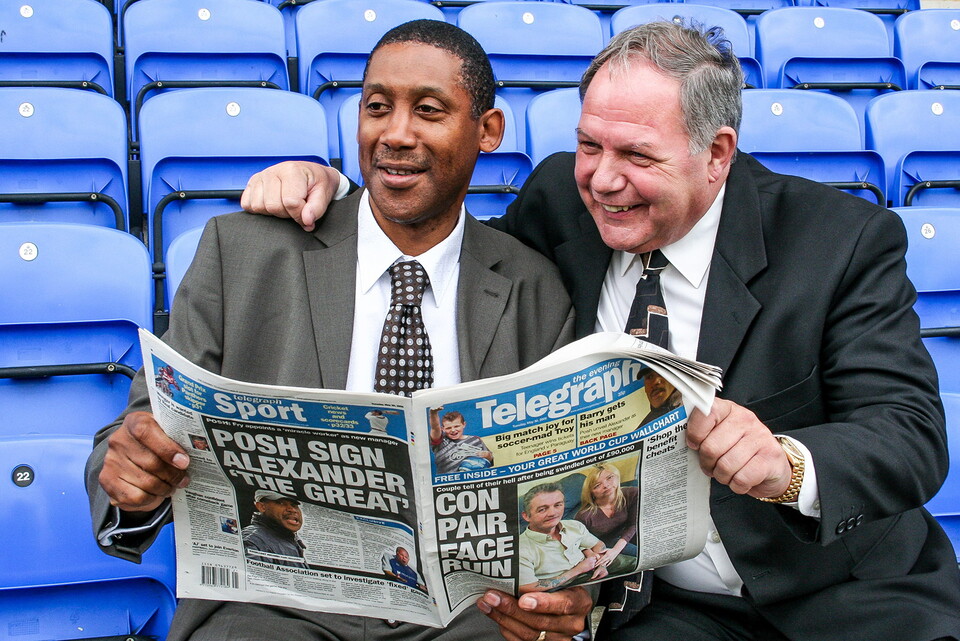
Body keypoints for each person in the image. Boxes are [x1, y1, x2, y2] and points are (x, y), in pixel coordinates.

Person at [239, 19, 960, 641]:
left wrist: (789, 463)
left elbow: (911, 430)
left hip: (848, 594)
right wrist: (334, 192)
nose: (604, 181)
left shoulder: (839, 240)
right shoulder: (561, 198)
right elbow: (453, 250)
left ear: (717, 154)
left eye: (637, 157)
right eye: (590, 146)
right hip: (666, 609)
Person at [86, 19, 574, 641]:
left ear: (488, 131)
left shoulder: (534, 289)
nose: (395, 135)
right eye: (377, 108)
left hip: (462, 618)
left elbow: (553, 490)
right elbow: (129, 436)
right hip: (273, 606)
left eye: (428, 110)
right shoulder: (243, 255)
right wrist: (133, 475)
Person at [519, 483, 636, 594]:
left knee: (641, 566)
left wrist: (601, 564)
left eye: (558, 505)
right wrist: (578, 570)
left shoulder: (574, 525)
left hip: (593, 567)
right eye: (542, 509)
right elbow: (527, 586)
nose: (553, 513)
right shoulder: (520, 549)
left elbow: (598, 544)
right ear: (526, 516)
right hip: (566, 586)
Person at [574, 463, 639, 561]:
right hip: (606, 545)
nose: (606, 485)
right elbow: (579, 542)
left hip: (632, 534)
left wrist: (615, 551)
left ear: (617, 476)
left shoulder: (633, 493)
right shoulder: (584, 516)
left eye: (609, 478)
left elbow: (634, 524)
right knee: (638, 553)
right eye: (597, 485)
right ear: (591, 493)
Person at [242, 490, 308, 569]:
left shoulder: (290, 539)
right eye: (281, 503)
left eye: (294, 505)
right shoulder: (253, 539)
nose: (292, 510)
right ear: (262, 507)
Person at [429, 407, 494, 474]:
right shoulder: (441, 441)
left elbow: (489, 461)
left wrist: (488, 456)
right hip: (450, 482)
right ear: (443, 429)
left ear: (464, 424)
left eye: (456, 426)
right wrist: (433, 413)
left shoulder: (476, 440)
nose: (453, 430)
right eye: (448, 428)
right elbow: (435, 427)